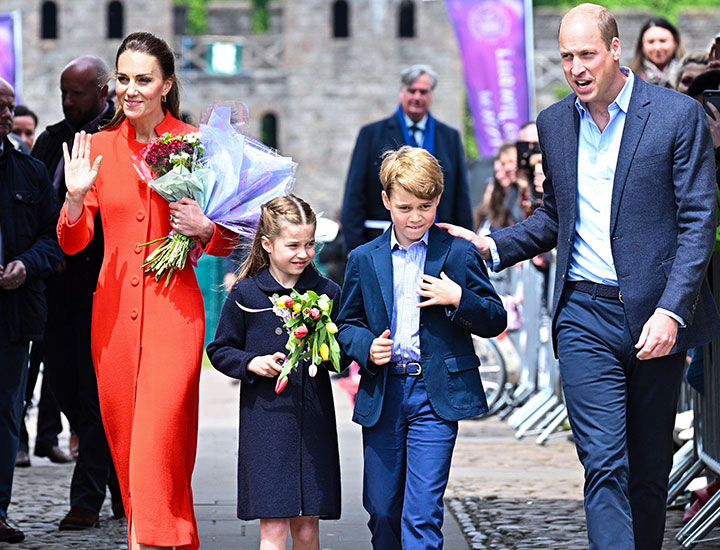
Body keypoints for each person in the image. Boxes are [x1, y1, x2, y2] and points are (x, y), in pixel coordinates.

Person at [441, 5, 720, 549]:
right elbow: (554, 215)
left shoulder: (675, 116)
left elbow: (697, 220)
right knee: (604, 461)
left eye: (587, 54)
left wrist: (671, 310)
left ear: (616, 50)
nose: (576, 67)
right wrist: (494, 244)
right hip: (583, 315)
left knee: (647, 468)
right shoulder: (553, 123)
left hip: (654, 318)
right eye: (567, 56)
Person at [57, 32, 236, 550]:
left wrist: (205, 227)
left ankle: (147, 543)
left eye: (143, 80)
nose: (130, 90)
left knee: (158, 444)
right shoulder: (99, 147)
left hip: (172, 318)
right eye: (123, 79)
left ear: (166, 85)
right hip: (111, 321)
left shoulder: (196, 144)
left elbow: (228, 239)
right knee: (128, 447)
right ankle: (168, 539)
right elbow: (74, 241)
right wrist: (72, 198)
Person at [337, 146, 506, 549]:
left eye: (425, 207)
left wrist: (457, 298)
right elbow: (346, 324)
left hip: (435, 395)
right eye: (405, 207)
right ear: (386, 202)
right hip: (384, 392)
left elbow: (494, 318)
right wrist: (365, 346)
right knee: (381, 510)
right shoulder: (363, 258)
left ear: (438, 201)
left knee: (423, 512)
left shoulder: (458, 252)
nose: (416, 218)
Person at [207, 195, 342, 550]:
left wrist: (327, 350)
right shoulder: (246, 292)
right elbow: (220, 349)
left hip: (313, 424)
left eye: (310, 244)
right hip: (265, 424)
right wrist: (250, 362)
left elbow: (339, 354)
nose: (303, 253)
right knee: (272, 527)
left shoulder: (327, 292)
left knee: (308, 528)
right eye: (293, 245)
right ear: (267, 244)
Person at [32, 55, 124, 530]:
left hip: (100, 286)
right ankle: (119, 490)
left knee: (92, 395)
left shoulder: (116, 141)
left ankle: (86, 498)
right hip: (56, 288)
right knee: (64, 387)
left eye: (78, 93)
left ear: (102, 92)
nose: (69, 101)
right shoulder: (50, 141)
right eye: (64, 92)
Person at [0, 77, 63, 544]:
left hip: (14, 312)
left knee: (6, 411)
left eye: (8, 107)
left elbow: (53, 239)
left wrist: (26, 264)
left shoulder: (30, 171)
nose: (5, 115)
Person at [340, 64, 473, 254]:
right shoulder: (372, 135)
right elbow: (354, 195)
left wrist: (464, 247)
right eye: (412, 91)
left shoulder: (449, 137)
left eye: (423, 91)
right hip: (383, 244)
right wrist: (355, 251)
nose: (417, 97)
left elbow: (461, 197)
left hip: (440, 247)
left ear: (431, 95)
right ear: (401, 92)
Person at [629, 17, 683, 87]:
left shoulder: (687, 76)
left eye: (663, 41)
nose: (657, 48)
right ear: (642, 45)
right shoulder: (630, 79)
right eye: (651, 42)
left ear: (675, 42)